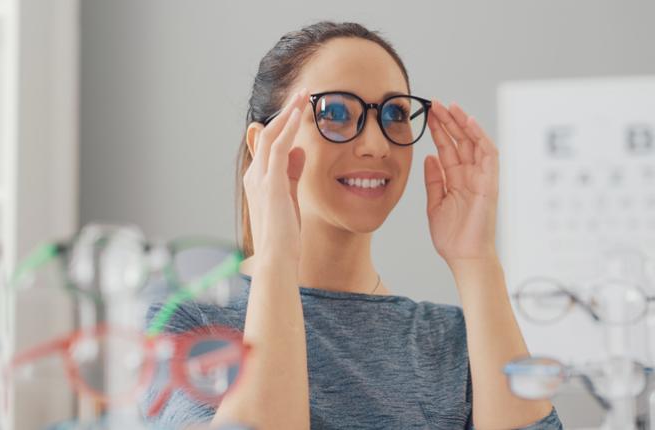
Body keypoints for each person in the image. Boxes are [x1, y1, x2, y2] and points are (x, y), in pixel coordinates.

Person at [146, 21, 564, 430]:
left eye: (394, 114)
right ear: (264, 145)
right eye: (335, 112)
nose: (376, 145)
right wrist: (276, 257)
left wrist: (477, 261)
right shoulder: (186, 322)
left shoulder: (452, 338)